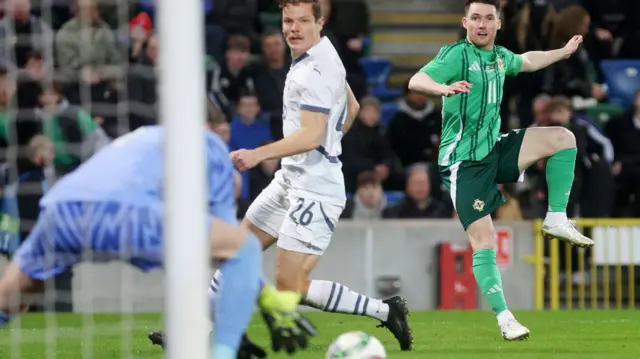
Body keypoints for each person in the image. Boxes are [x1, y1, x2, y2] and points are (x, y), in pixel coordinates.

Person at [0, 104, 315, 359]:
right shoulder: (207, 146)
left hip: (61, 207)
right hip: (124, 212)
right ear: (209, 128)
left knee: (14, 294)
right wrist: (265, 298)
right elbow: (227, 247)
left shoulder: (140, 137)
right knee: (244, 248)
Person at [225, 0, 412, 351]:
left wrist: (258, 154)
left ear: (320, 22)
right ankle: (202, 334)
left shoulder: (316, 71)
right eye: (287, 20)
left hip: (314, 188)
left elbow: (311, 135)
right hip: (292, 177)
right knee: (238, 250)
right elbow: (352, 108)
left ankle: (385, 311)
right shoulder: (319, 56)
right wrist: (328, 145)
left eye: (302, 21)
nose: (293, 28)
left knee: (290, 286)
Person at [407, 0, 594, 341]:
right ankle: (505, 318)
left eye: (488, 18)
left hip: (495, 147)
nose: (481, 24)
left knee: (563, 138)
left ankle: (555, 217)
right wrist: (441, 88)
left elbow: (527, 61)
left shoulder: (499, 57)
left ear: (498, 23)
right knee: (484, 240)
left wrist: (562, 52)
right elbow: (417, 80)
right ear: (465, 22)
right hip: (464, 164)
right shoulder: (455, 55)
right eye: (475, 18)